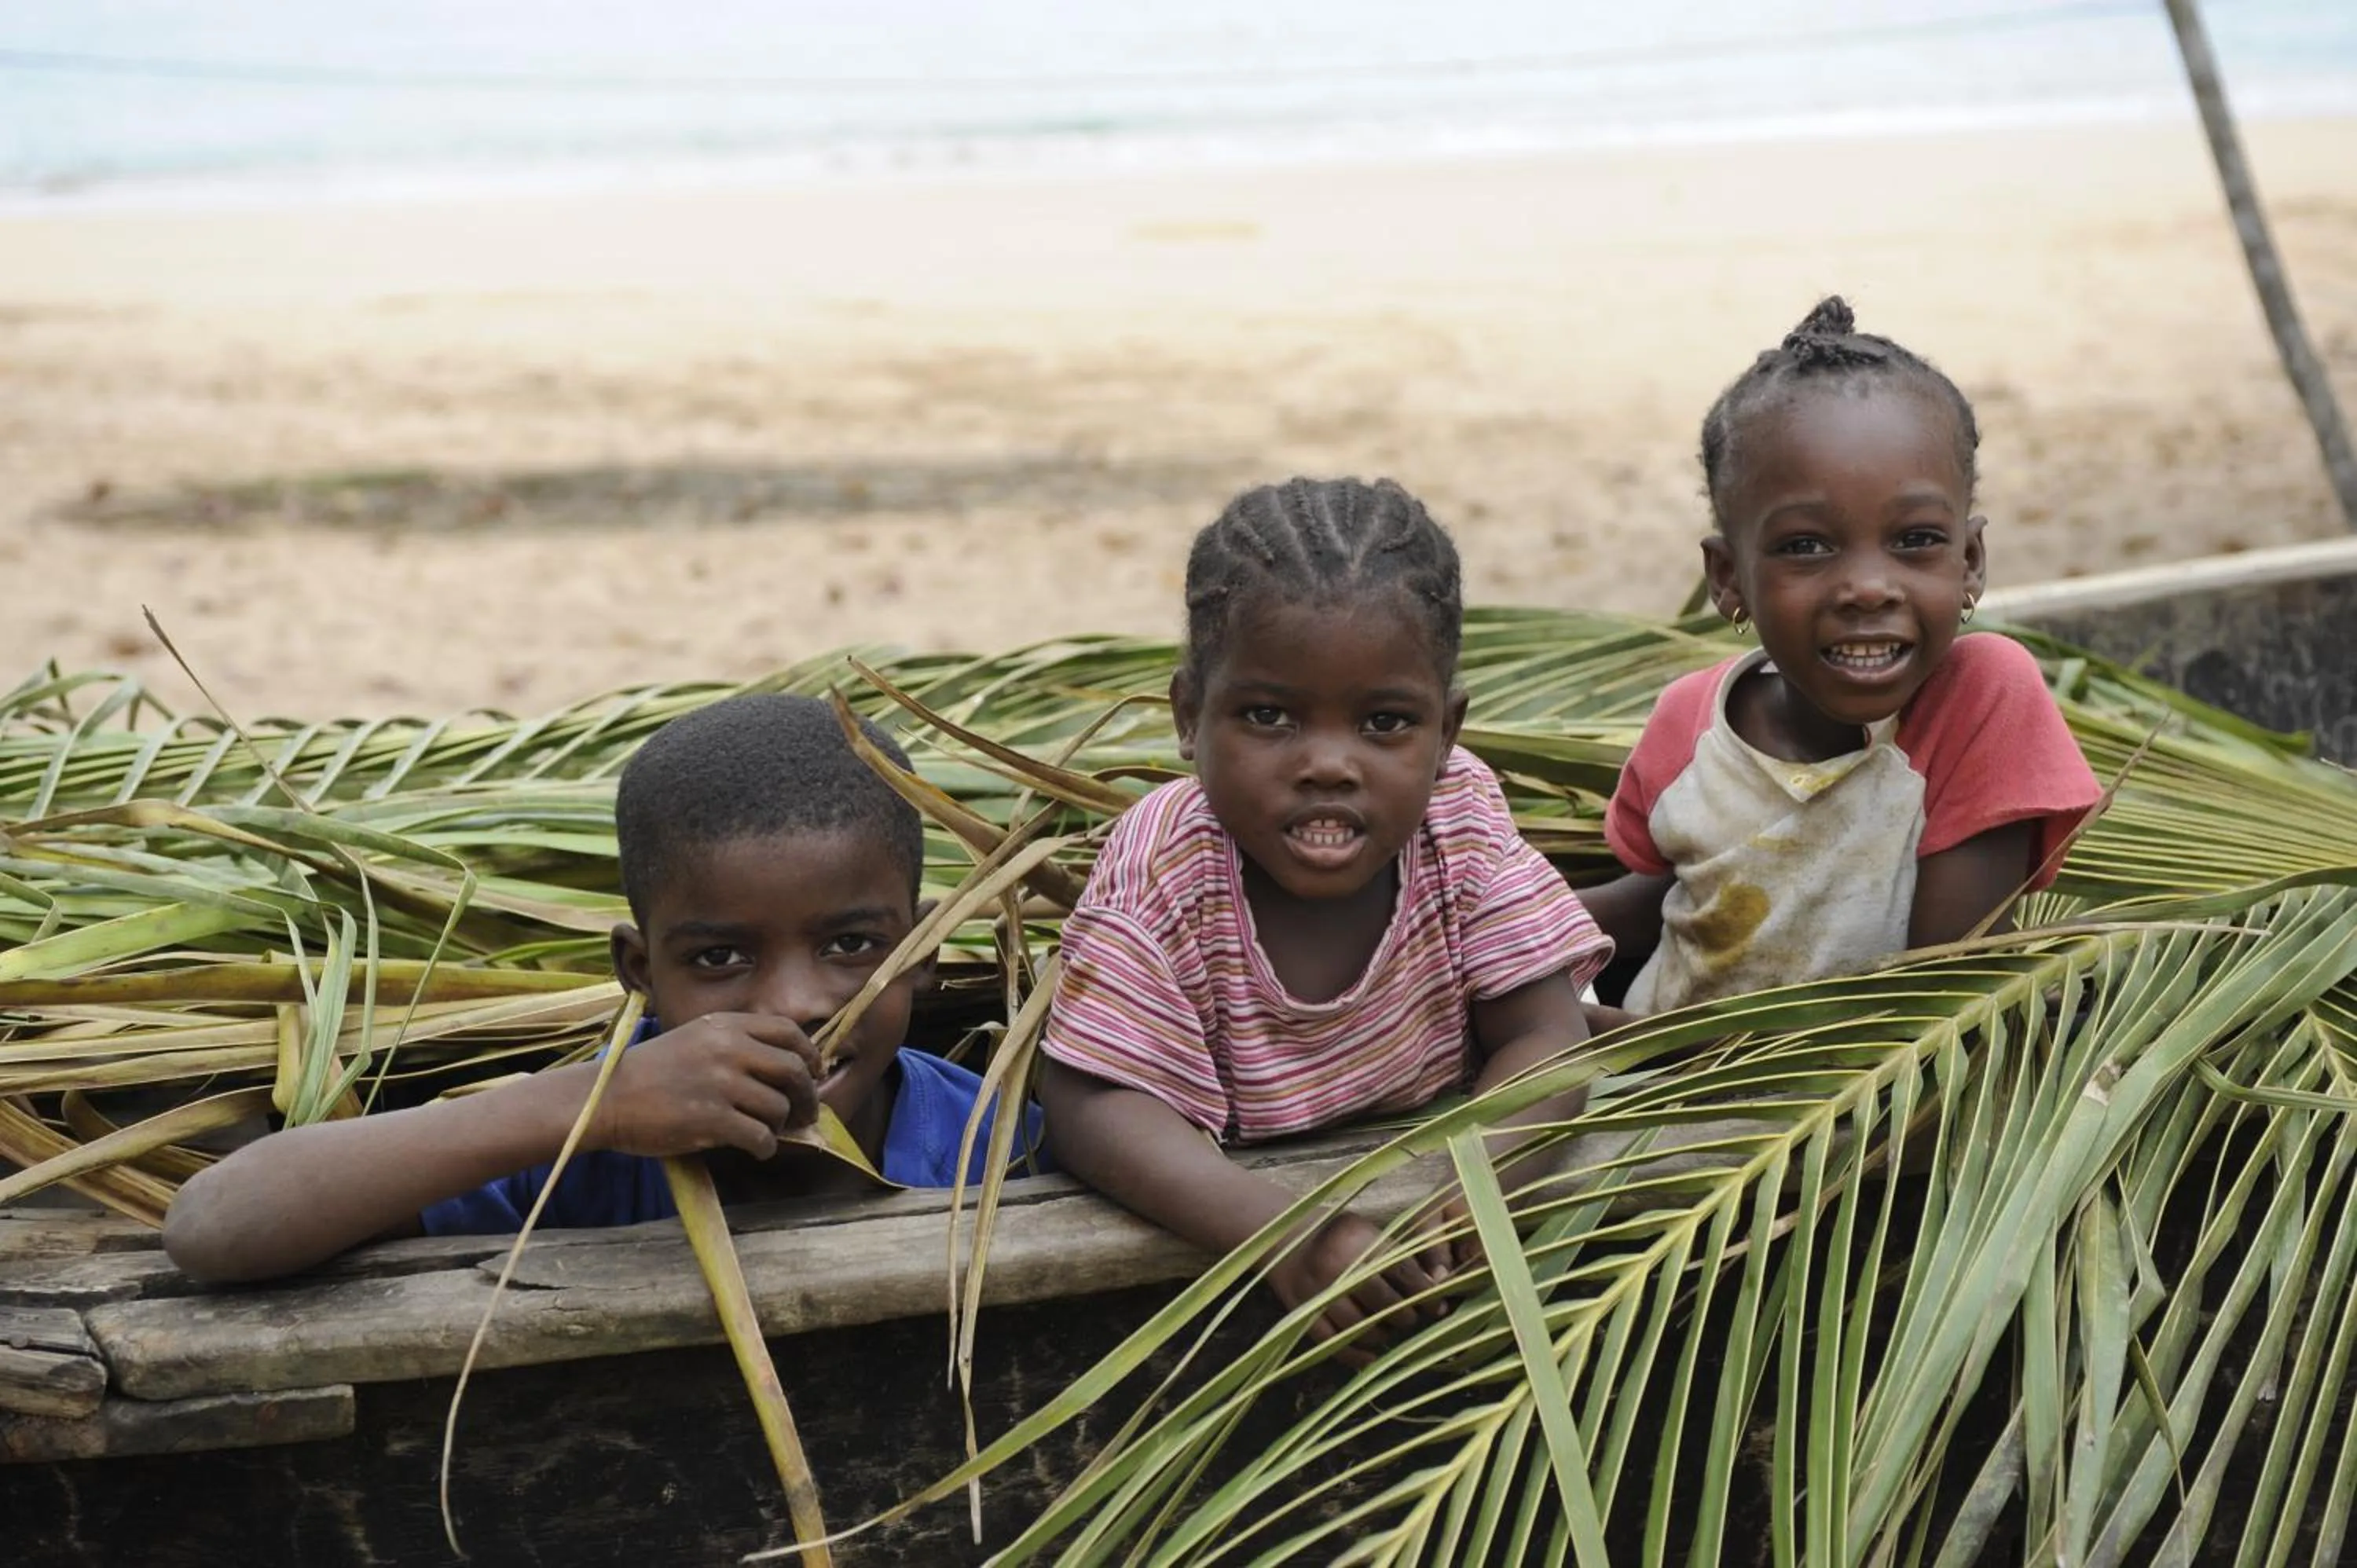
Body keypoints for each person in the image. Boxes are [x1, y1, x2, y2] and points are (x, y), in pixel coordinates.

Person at [164, 694, 1044, 1284]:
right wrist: (598, 1103)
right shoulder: (587, 1151)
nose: (791, 1004)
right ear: (639, 972)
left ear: (926, 950)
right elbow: (211, 1227)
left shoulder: (997, 1143)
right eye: (718, 959)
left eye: (852, 944)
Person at [1037, 478, 1614, 1355]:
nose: (1329, 765)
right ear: (1190, 716)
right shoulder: (1165, 866)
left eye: (1385, 723)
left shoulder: (1455, 818)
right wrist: (1289, 1237)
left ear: (1447, 731)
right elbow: (1091, 1104)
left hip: (1415, 1203)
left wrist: (1474, 1190)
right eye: (1269, 716)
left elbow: (1544, 1036)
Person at [1581, 297, 2102, 1020]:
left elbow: (1940, 993)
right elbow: (1684, 894)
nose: (1866, 588)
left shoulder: (1980, 699)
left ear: (1971, 559)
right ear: (1728, 578)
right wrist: (1509, 943)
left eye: (1916, 539)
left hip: (1853, 1106)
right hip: (1661, 1092)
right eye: (1806, 546)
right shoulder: (1687, 724)